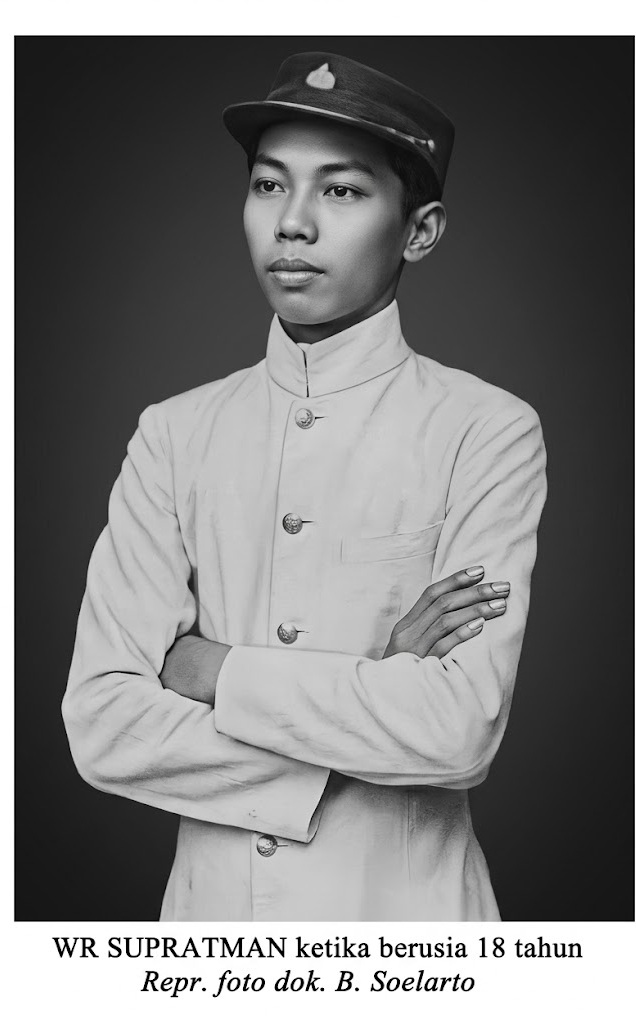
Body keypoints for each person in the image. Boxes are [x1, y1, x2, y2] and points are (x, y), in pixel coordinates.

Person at [62, 51, 548, 921]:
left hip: (412, 937)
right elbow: (104, 726)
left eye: (343, 190)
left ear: (420, 230)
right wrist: (376, 686)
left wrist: (215, 671)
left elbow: (456, 731)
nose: (292, 223)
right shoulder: (174, 433)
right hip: (209, 944)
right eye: (268, 185)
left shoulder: (487, 429)